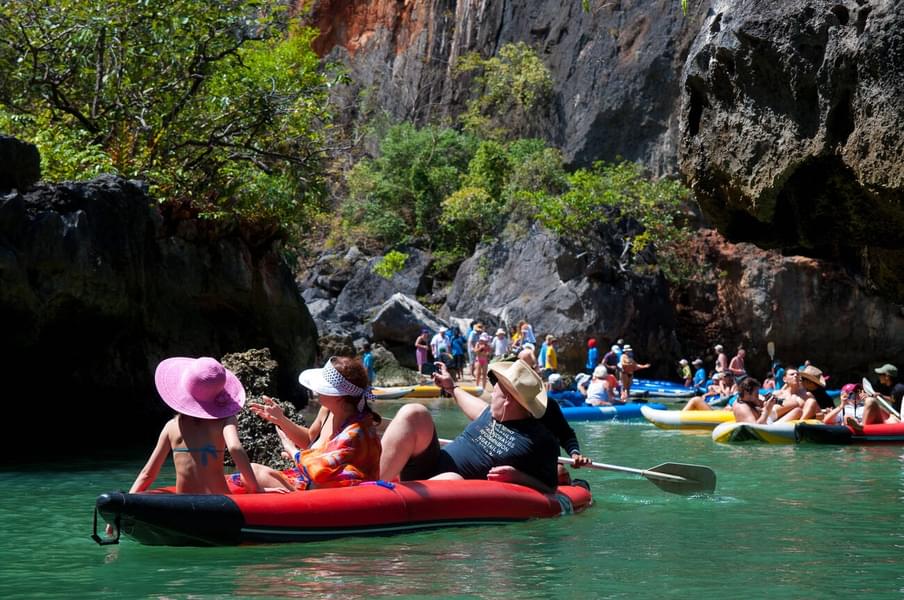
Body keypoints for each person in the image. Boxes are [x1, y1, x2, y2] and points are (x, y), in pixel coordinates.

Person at [379, 359, 563, 492]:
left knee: (453, 479)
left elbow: (550, 486)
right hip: (426, 466)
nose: (491, 396)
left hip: (450, 486)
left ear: (507, 400)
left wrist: (519, 477)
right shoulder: (491, 414)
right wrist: (450, 387)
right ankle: (369, 484)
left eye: (495, 391)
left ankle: (385, 498)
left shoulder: (541, 440)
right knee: (415, 412)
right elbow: (466, 399)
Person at [122, 356, 263, 496]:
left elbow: (148, 474)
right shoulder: (225, 420)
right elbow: (234, 447)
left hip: (185, 504)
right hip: (220, 501)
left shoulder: (171, 427)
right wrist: (255, 488)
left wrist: (125, 506)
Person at [248, 356, 382, 491]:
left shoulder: (357, 431)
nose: (316, 391)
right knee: (251, 472)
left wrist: (294, 453)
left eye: (322, 387)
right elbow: (308, 441)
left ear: (339, 397)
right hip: (311, 484)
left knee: (254, 473)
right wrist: (281, 420)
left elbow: (321, 471)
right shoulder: (327, 411)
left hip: (333, 497)